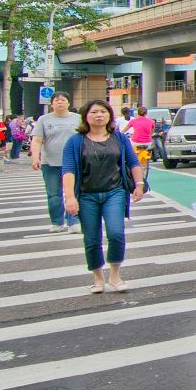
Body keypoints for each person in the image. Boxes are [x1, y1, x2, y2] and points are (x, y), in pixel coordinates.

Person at [61, 99, 145, 293]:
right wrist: (70, 197)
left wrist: (139, 184)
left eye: (103, 112)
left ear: (109, 116)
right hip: (86, 195)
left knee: (116, 233)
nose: (99, 115)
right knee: (91, 239)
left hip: (114, 192)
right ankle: (98, 278)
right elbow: (68, 170)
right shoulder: (75, 141)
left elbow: (133, 162)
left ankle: (115, 275)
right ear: (85, 117)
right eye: (94, 112)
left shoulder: (119, 138)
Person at [30, 93, 82, 233]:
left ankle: (74, 221)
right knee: (54, 195)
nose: (59, 102)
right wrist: (35, 157)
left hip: (74, 163)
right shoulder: (44, 120)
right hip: (50, 163)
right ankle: (57, 222)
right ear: (51, 103)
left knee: (73, 193)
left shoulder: (78, 119)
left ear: (69, 103)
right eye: (56, 100)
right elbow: (36, 140)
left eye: (63, 100)